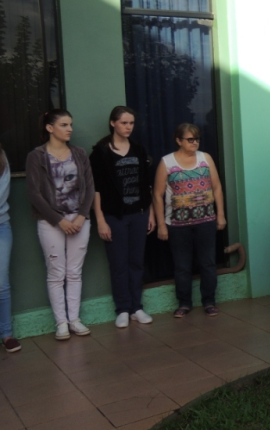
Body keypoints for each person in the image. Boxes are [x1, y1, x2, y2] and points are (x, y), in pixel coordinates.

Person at [26, 109, 95, 340]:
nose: (70, 129)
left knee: (74, 272)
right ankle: (61, 323)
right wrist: (59, 220)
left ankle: (74, 320)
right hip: (50, 223)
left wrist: (81, 216)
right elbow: (34, 194)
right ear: (50, 128)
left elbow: (90, 187)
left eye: (70, 124)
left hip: (80, 221)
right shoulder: (37, 156)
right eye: (64, 125)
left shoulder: (79, 153)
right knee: (56, 273)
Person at [90, 106, 155, 329]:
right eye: (124, 123)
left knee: (136, 262)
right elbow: (96, 190)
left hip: (139, 213)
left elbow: (146, 185)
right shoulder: (100, 152)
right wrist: (100, 220)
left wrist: (150, 213)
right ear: (113, 123)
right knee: (118, 264)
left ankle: (137, 307)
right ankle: (123, 309)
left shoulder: (138, 150)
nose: (128, 127)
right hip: (114, 216)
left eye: (131, 123)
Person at [153, 123, 226, 318]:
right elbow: (157, 195)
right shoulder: (167, 162)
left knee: (208, 263)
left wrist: (220, 215)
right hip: (177, 225)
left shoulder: (205, 159)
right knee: (182, 266)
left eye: (197, 139)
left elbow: (217, 188)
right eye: (190, 139)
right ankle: (184, 303)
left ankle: (209, 301)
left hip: (206, 221)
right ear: (179, 141)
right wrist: (161, 225)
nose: (195, 143)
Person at [0, 144, 20, 352]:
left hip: (1, 226)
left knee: (1, 283)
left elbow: (2, 193)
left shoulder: (1, 157)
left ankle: (6, 334)